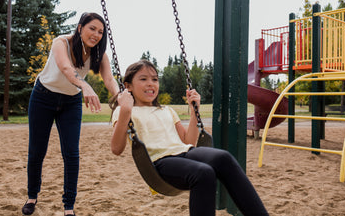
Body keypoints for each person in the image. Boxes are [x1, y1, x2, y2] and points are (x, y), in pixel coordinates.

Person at [110, 59, 269, 216]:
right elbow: (116, 149)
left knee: (223, 157)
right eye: (143, 79)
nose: (151, 83)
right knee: (204, 173)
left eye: (155, 79)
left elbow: (188, 142)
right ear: (128, 86)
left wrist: (194, 112)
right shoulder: (125, 111)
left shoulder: (167, 110)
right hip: (160, 162)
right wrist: (125, 110)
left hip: (185, 152)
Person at [22, 12, 119, 216]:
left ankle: (69, 207)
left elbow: (109, 79)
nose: (96, 34)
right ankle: (32, 196)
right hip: (43, 97)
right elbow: (66, 68)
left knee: (72, 154)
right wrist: (85, 86)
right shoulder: (61, 42)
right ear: (80, 27)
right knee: (37, 151)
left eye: (100, 32)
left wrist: (119, 98)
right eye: (92, 28)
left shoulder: (99, 55)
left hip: (70, 102)